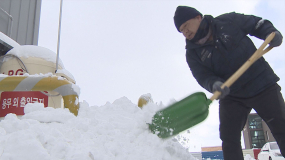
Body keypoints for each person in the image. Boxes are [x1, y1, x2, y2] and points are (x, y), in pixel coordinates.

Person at [173, 6, 285, 160]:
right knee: (229, 138)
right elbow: (202, 76)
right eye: (181, 30)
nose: (184, 31)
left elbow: (256, 23)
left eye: (185, 25)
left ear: (198, 17)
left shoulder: (228, 21)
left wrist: (270, 32)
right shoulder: (192, 54)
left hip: (262, 83)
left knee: (282, 127)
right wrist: (213, 84)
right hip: (232, 94)